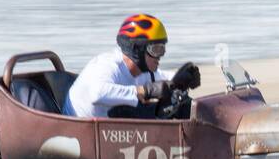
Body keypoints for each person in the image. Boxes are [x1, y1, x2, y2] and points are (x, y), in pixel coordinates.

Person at [62, 14, 200, 119]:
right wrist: (143, 91)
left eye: (163, 49)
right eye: (156, 49)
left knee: (178, 102)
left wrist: (184, 77)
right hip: (79, 133)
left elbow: (165, 79)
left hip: (109, 130)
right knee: (137, 107)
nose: (160, 56)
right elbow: (97, 93)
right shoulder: (107, 65)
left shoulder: (142, 71)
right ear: (137, 49)